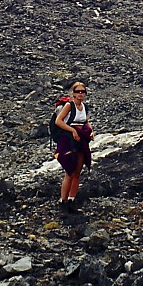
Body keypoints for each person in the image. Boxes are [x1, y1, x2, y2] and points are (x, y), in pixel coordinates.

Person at [54, 80, 93, 212]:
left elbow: (85, 121)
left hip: (81, 140)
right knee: (69, 170)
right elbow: (58, 121)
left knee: (77, 171)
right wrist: (73, 130)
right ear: (73, 93)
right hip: (69, 140)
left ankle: (72, 199)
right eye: (78, 91)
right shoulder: (69, 106)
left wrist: (90, 131)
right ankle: (63, 201)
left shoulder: (84, 107)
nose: (80, 94)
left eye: (83, 92)